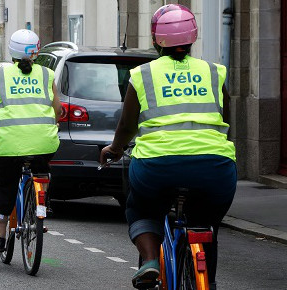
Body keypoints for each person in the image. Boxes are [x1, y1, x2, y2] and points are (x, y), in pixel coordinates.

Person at [99, 4, 236, 289]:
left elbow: (127, 127)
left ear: (155, 39)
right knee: (206, 223)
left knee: (140, 208)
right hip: (215, 168)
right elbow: (226, 119)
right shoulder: (214, 72)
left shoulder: (143, 75)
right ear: (193, 37)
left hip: (157, 167)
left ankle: (150, 260)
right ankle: (205, 280)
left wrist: (114, 148)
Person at [0, 29, 62, 252]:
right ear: (36, 52)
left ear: (11, 51)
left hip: (10, 144)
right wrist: (53, 123)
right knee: (42, 170)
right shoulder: (46, 74)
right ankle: (42, 201)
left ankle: (0, 235)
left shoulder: (0, 76)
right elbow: (58, 109)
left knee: (5, 184)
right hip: (44, 142)